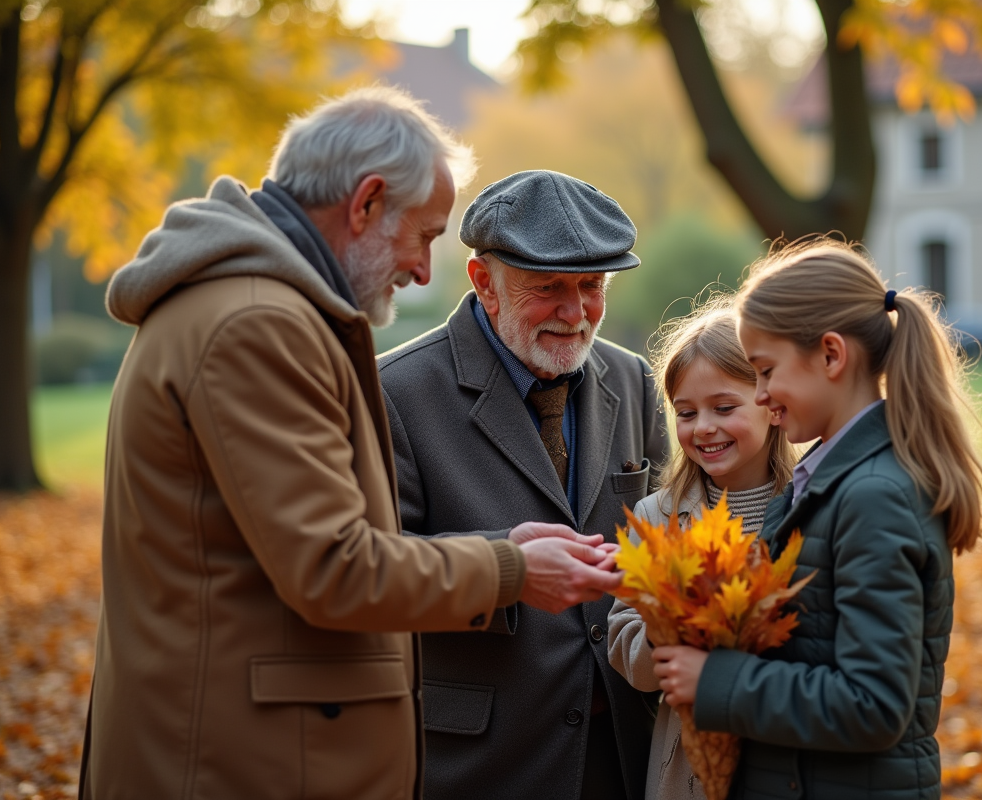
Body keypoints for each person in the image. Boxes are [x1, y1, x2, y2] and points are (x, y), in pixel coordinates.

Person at [81, 88, 623, 800]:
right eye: (425, 235)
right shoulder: (255, 326)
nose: (425, 271)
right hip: (238, 763)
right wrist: (511, 567)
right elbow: (333, 567)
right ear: (366, 204)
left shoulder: (254, 309)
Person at [651, 237, 982, 800]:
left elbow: (874, 704)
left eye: (766, 371)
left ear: (832, 356)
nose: (761, 395)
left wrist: (715, 681)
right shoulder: (827, 482)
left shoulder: (874, 496)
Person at [376, 169, 671, 800]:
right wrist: (508, 568)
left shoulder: (634, 380)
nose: (575, 313)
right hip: (480, 765)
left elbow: (677, 530)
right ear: (483, 282)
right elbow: (371, 578)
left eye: (592, 286)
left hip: (627, 755)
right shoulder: (392, 394)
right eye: (548, 289)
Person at [607, 300, 797, 800]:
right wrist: (668, 627)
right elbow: (624, 642)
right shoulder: (656, 518)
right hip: (688, 769)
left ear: (771, 402)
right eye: (686, 414)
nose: (703, 428)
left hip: (786, 755)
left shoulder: (810, 508)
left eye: (724, 408)